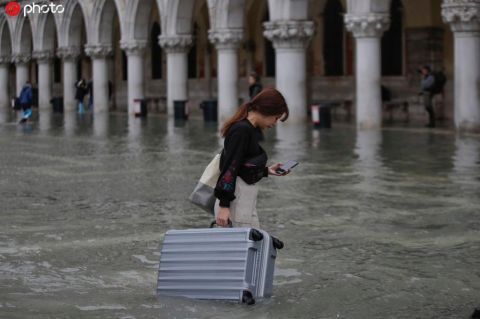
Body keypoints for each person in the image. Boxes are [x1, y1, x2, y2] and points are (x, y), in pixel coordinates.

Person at [214, 88, 290, 228]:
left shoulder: (248, 129)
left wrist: (267, 171)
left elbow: (241, 165)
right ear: (267, 110)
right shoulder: (242, 130)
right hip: (236, 202)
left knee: (250, 244)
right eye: (276, 117)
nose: (275, 123)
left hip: (241, 200)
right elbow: (230, 166)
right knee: (245, 246)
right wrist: (224, 206)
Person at [248, 71, 265, 141]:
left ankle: (258, 139)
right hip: (256, 110)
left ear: (255, 79)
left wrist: (250, 109)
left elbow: (254, 99)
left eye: (251, 79)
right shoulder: (255, 87)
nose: (249, 81)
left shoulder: (256, 88)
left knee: (255, 126)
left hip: (255, 110)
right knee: (256, 127)